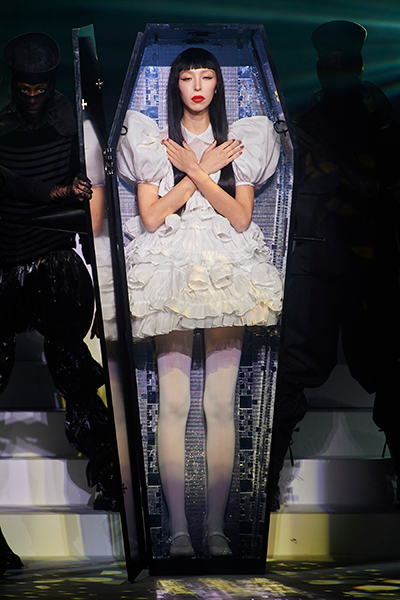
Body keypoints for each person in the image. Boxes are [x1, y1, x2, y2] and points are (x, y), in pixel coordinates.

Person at [117, 48, 283, 557]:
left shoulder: (238, 142)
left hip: (226, 272)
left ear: (217, 85)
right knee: (173, 403)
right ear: (175, 85)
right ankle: (177, 531)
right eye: (187, 77)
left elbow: (239, 217)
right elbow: (152, 217)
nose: (197, 86)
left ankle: (214, 528)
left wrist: (203, 168)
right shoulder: (154, 142)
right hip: (171, 270)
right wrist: (194, 168)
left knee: (219, 404)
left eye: (206, 76)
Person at [270, 20, 400, 510]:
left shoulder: (380, 127)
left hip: (365, 266)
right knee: (294, 372)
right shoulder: (309, 126)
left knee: (388, 372)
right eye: (331, 64)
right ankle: (264, 486)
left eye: (344, 63)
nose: (338, 70)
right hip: (320, 262)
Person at [0, 32, 118, 511]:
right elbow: (11, 183)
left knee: (74, 370)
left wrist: (102, 289)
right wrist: (52, 193)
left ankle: (111, 478)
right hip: (6, 262)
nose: (32, 96)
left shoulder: (73, 123)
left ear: (51, 85)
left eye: (40, 88)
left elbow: (92, 198)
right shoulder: (2, 125)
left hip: (54, 261)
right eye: (24, 88)